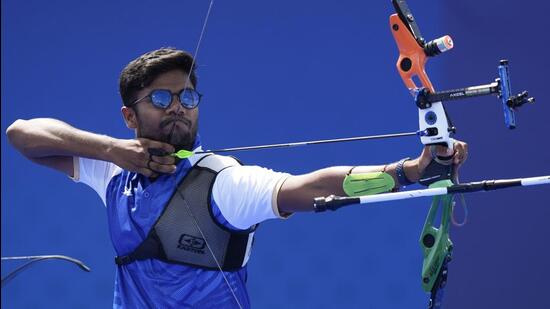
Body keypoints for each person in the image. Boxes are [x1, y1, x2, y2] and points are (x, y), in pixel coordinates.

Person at [6, 47, 468, 308]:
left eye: (187, 98)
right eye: (162, 100)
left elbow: (312, 187)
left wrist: (410, 171)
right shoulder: (113, 171)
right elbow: (22, 134)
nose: (179, 110)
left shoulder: (220, 181)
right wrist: (109, 150)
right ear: (129, 115)